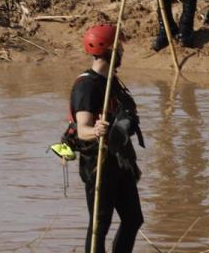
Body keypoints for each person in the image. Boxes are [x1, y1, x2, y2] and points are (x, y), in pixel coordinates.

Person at [69, 23, 144, 253]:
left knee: (133, 219)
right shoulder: (87, 87)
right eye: (119, 47)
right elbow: (82, 128)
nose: (122, 52)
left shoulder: (112, 81)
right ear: (110, 50)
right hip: (99, 163)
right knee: (99, 227)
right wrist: (96, 131)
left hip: (119, 160)